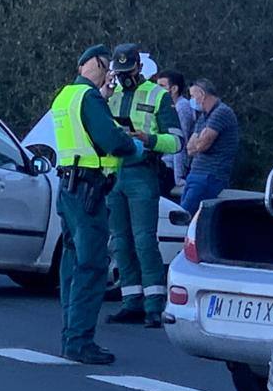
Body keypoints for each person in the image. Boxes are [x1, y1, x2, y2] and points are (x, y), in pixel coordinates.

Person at [50, 44, 144, 365]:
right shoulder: (89, 99)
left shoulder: (65, 96)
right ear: (91, 64)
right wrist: (134, 146)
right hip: (89, 189)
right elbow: (112, 141)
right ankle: (79, 341)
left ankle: (69, 333)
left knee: (71, 264)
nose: (108, 73)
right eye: (105, 66)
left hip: (69, 187)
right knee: (92, 266)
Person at [104, 45, 183, 329]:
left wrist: (147, 139)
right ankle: (131, 301)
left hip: (142, 172)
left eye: (128, 71)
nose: (124, 77)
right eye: (119, 72)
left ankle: (153, 305)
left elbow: (176, 141)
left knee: (144, 240)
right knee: (120, 242)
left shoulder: (158, 95)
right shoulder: (110, 96)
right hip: (114, 173)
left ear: (138, 67)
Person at [181, 78, 239, 216]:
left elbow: (201, 145)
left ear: (202, 94)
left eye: (193, 96)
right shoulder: (204, 117)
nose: (192, 100)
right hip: (195, 174)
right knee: (181, 214)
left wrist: (199, 142)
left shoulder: (221, 112)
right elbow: (189, 148)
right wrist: (199, 141)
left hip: (210, 176)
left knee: (184, 216)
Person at [156, 70, 195, 190]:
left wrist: (178, 177)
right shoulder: (166, 107)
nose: (157, 90)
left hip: (170, 169)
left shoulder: (182, 107)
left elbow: (181, 143)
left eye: (161, 86)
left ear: (174, 89)